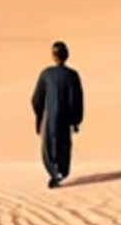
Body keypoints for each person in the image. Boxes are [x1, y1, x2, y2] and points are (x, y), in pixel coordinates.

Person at [31, 39, 84, 187]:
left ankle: (54, 173)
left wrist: (40, 117)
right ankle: (60, 172)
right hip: (65, 119)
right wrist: (75, 120)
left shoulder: (46, 74)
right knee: (63, 146)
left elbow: (36, 99)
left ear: (53, 56)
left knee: (48, 147)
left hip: (49, 118)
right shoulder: (72, 75)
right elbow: (77, 99)